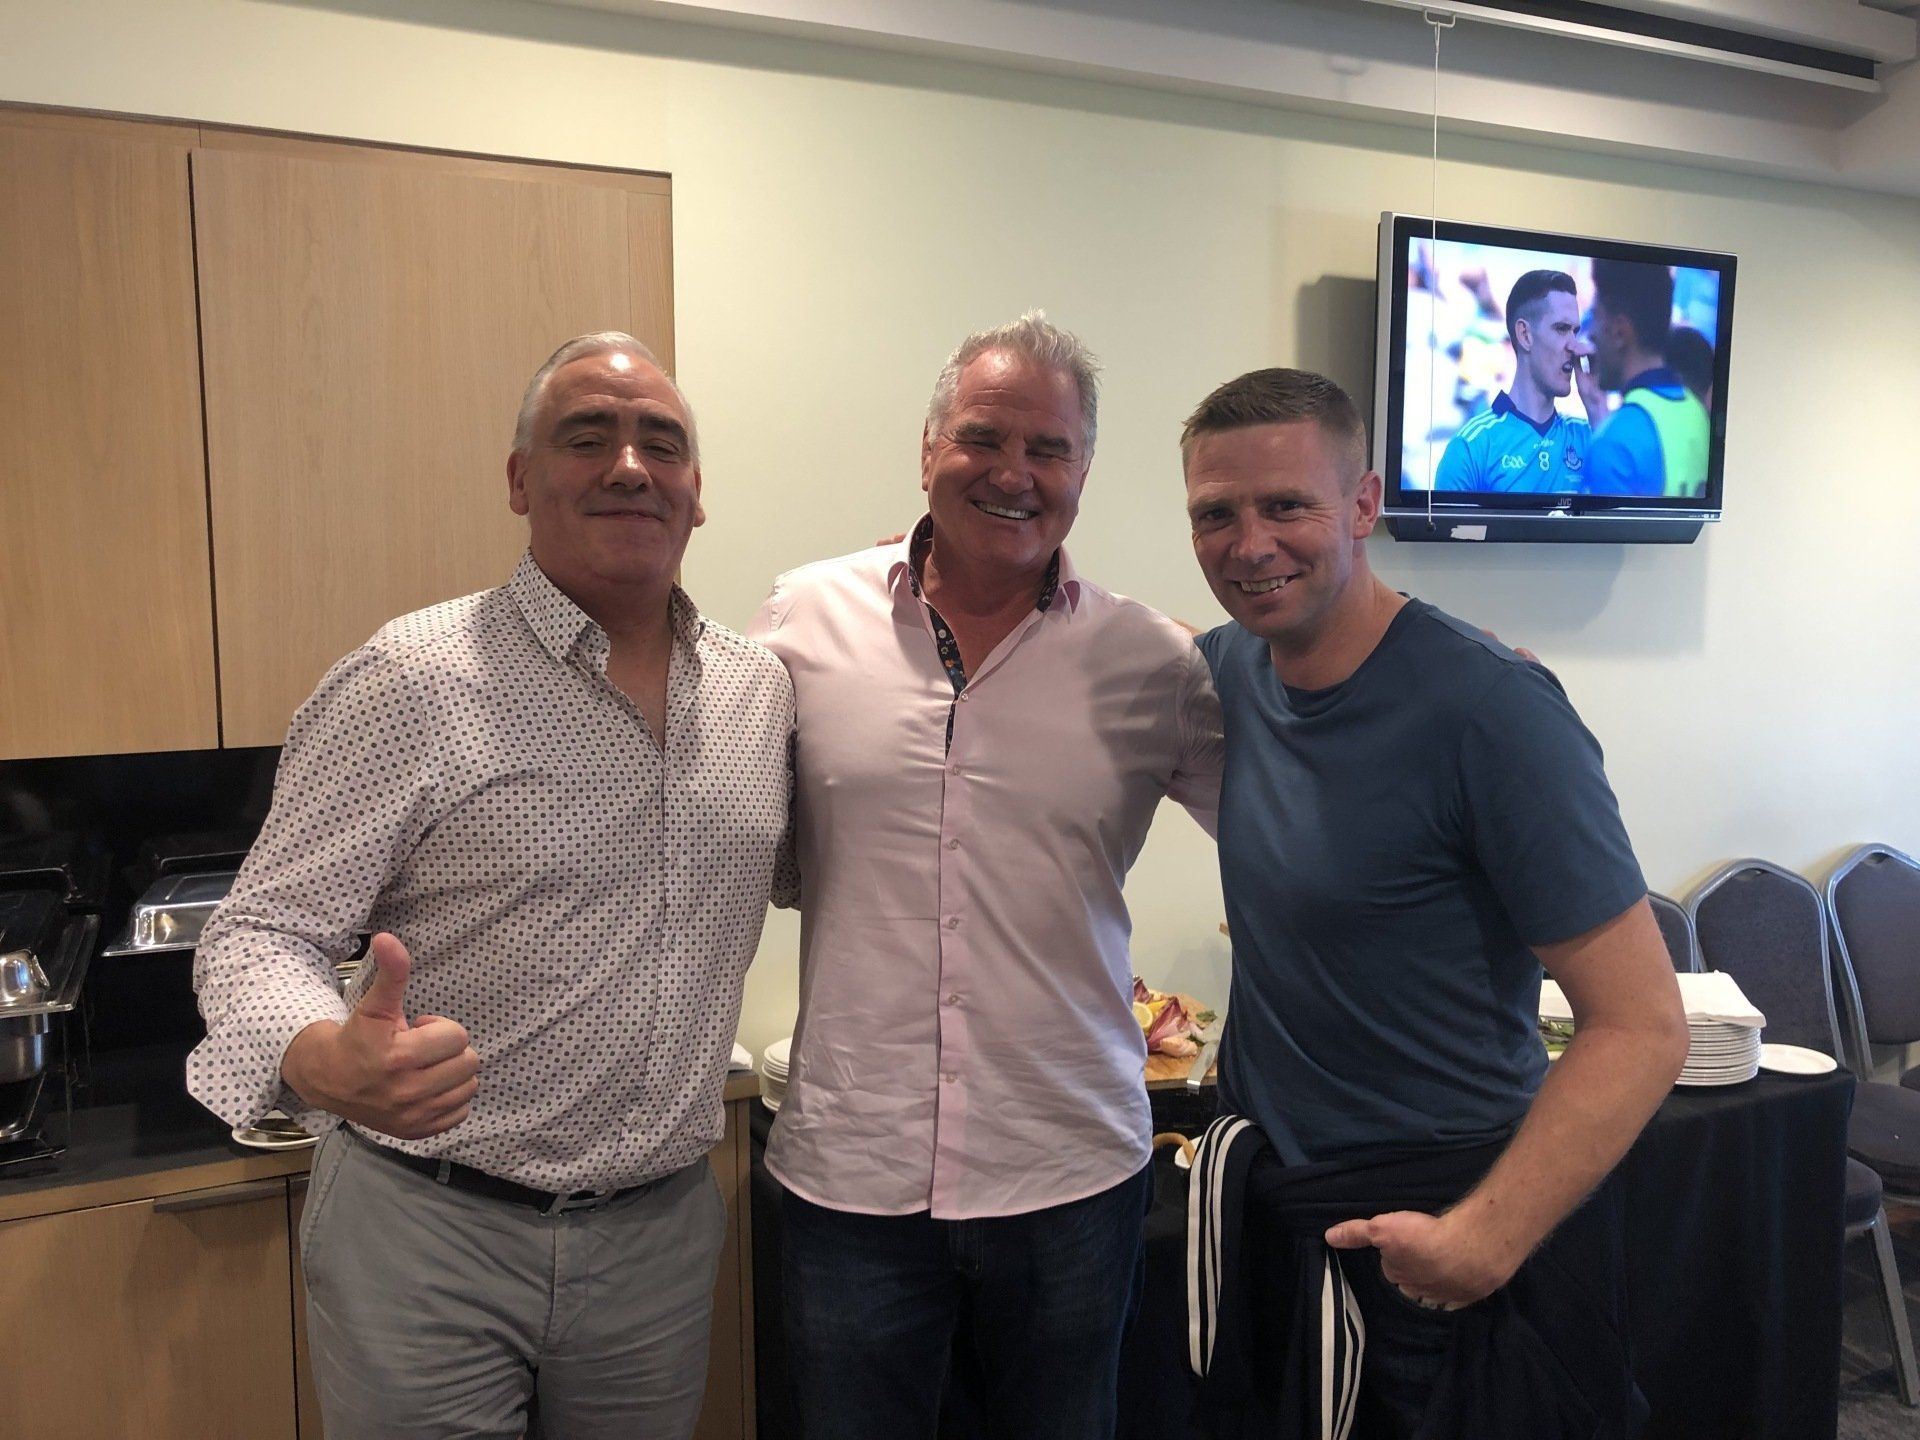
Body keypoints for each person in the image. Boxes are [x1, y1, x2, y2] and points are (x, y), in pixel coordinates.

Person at [188, 332, 795, 1440]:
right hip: (430, 1236)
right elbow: (257, 933)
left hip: (658, 1243)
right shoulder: (413, 678)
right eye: (586, 435)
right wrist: (323, 1057)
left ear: (695, 495)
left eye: (662, 442)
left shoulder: (763, 697)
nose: (628, 464)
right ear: (521, 479)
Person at [1180, 368, 1689, 1437]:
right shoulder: (1224, 671)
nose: (1249, 543)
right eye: (1215, 514)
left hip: (1448, 1219)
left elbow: (1642, 1025)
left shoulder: (1492, 713)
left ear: (1364, 504)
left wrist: (1482, 1242)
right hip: (1289, 1210)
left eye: (1287, 506)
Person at [748, 313, 1222, 1440]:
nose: (1013, 474)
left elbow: (1301, 818)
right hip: (853, 1176)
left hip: (1069, 1169)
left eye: (1048, 450)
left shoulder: (1154, 662)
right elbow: (723, 833)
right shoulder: (802, 619)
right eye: (982, 438)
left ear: (1084, 474)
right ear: (927, 451)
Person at [1433, 269, 1594, 493]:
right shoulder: (1471, 447)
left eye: (1575, 331)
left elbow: (1631, 517)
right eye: (1561, 329)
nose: (1574, 345)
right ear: (1525, 335)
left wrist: (1597, 407)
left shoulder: (1590, 435)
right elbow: (1447, 529)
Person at [1583, 259, 1711, 498]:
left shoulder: (1612, 444)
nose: (1590, 333)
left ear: (1620, 332)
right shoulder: (1698, 413)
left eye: (1596, 317)